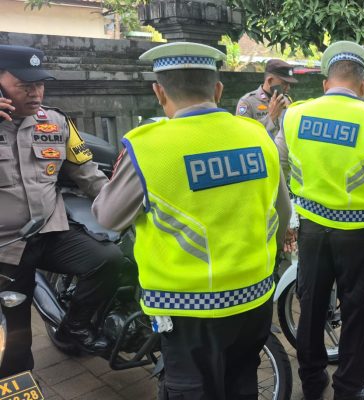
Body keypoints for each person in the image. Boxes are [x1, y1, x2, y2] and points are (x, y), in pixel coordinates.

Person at [92, 42, 292, 399]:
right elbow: (282, 211)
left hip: (187, 311)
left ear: (159, 92)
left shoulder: (148, 147)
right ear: (218, 90)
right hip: (255, 298)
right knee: (242, 384)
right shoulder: (258, 136)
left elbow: (107, 217)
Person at [275, 40, 364, 400]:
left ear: (325, 83)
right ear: (363, 85)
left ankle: (312, 383)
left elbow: (277, 168)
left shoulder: (294, 115)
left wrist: (286, 221)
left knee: (311, 307)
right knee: (357, 313)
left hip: (311, 233)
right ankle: (348, 389)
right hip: (358, 237)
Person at [0, 45, 121, 376]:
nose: (35, 92)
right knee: (14, 339)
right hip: (6, 247)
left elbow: (89, 176)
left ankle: (74, 327)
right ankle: (16, 386)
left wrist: (126, 207)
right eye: (24, 85)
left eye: (39, 84)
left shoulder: (55, 122)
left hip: (51, 232)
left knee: (108, 260)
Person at [236, 59, 297, 136]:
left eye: (289, 84)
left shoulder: (286, 100)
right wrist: (271, 117)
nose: (288, 88)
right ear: (270, 81)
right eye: (284, 83)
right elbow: (243, 134)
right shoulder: (247, 102)